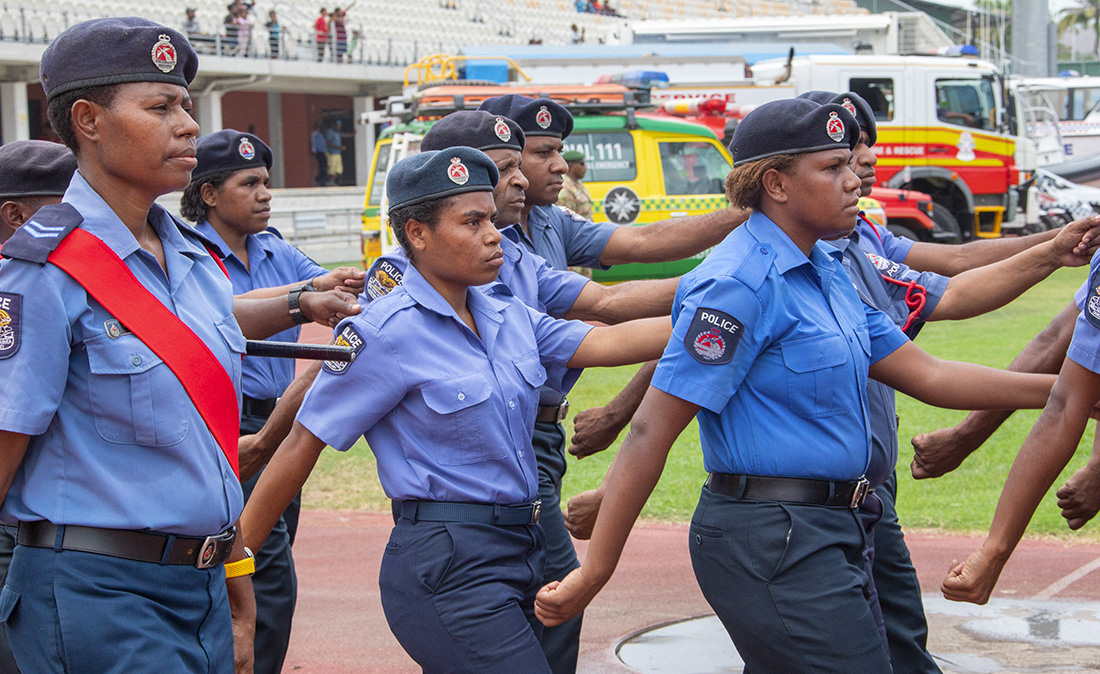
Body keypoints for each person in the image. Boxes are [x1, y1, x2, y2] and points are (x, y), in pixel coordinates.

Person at [533, 98, 1062, 673]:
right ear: (776, 183)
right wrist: (597, 570)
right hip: (774, 540)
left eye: (850, 164)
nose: (854, 180)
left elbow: (927, 374)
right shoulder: (738, 282)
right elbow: (650, 430)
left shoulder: (828, 270)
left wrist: (1064, 393)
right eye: (832, 168)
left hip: (834, 530)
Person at [0, 19, 362, 674]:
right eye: (161, 107)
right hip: (98, 595)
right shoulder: (43, 267)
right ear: (89, 120)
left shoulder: (190, 259)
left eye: (186, 106)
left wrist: (236, 588)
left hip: (202, 586)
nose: (189, 125)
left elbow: (202, 452)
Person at [236, 147, 673, 674]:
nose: (495, 235)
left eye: (491, 218)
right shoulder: (384, 331)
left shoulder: (506, 313)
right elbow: (302, 446)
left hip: (525, 544)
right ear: (418, 233)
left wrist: (726, 308)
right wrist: (235, 571)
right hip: (448, 563)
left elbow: (614, 342)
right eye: (472, 222)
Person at [477, 93, 748, 674]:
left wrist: (746, 235)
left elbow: (638, 255)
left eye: (558, 153)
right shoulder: (449, 260)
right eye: (539, 154)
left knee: (527, 589)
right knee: (547, 585)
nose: (556, 167)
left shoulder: (547, 228)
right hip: (492, 439)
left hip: (539, 437)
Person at [181, 128, 365, 674]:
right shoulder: (187, 253)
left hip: (281, 421)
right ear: (209, 194)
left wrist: (344, 285)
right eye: (249, 183)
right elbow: (227, 308)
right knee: (265, 570)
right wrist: (309, 297)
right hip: (222, 421)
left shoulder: (275, 247)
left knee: (260, 557)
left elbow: (322, 288)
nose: (265, 193)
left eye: (266, 181)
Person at [558, 150, 592, 219]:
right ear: (571, 165)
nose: (585, 167)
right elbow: (566, 218)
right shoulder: (564, 187)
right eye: (582, 164)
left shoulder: (578, 184)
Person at [325, 119, 345, 185]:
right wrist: (339, 147)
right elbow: (328, 144)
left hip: (337, 153)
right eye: (337, 125)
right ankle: (329, 182)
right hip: (331, 153)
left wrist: (353, 134)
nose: (339, 127)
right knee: (332, 169)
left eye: (340, 126)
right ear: (333, 125)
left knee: (338, 169)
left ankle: (334, 181)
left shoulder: (337, 132)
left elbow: (344, 135)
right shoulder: (330, 132)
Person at [311, 122, 328, 186]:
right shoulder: (316, 134)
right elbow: (314, 143)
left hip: (323, 152)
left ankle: (321, 179)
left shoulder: (321, 134)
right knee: (322, 166)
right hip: (319, 152)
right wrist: (314, 150)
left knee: (324, 166)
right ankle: (319, 179)